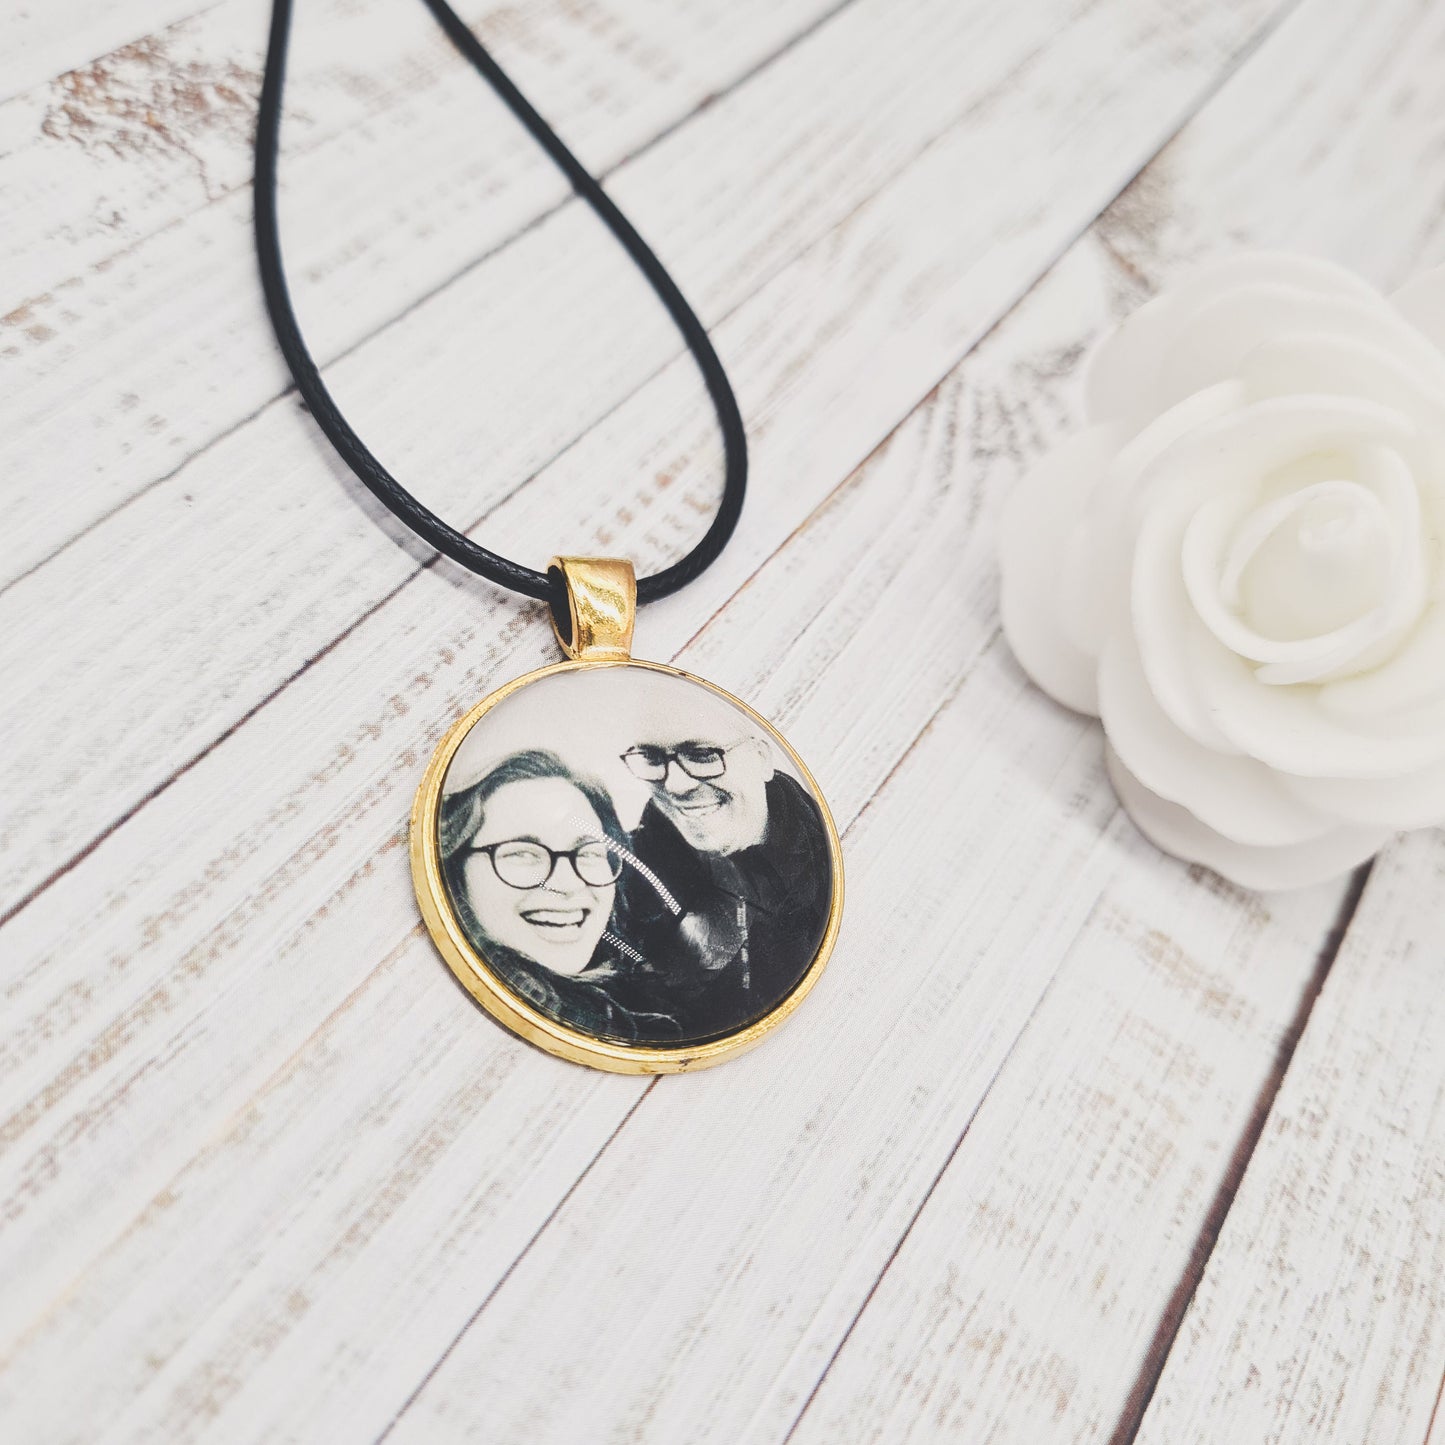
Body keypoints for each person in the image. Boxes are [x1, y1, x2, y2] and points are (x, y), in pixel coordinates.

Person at [440, 749, 680, 1043]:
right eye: (522, 853)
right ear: (455, 870)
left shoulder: (635, 1019)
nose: (567, 884)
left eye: (589, 852)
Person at [621, 714, 832, 1038]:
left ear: (761, 759)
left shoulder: (822, 860)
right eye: (651, 758)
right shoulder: (619, 883)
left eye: (702, 754)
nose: (676, 785)